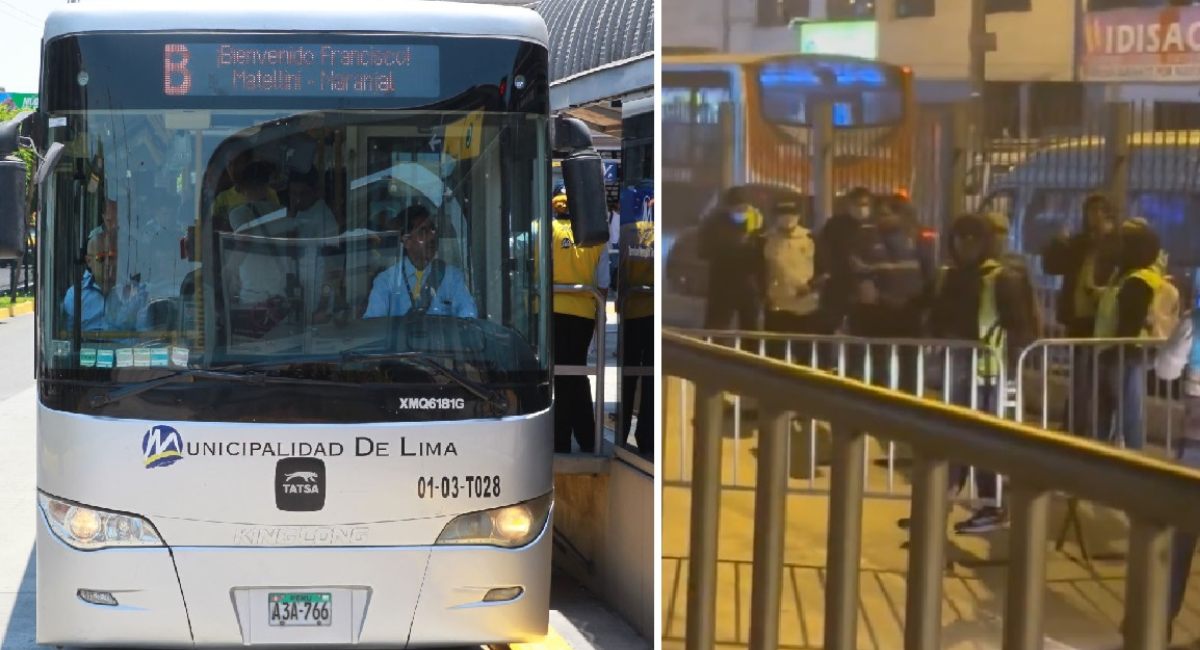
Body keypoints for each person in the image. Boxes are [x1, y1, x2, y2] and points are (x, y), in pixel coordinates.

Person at [900, 213, 1038, 534]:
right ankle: (940, 503)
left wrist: (1008, 363)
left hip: (988, 372)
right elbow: (930, 311)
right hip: (955, 368)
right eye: (960, 238)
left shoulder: (1002, 278)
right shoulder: (948, 276)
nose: (965, 245)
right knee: (948, 438)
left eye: (973, 238)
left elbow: (1021, 329)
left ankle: (991, 505)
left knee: (984, 440)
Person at [1093, 217, 1175, 450]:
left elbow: (1128, 325)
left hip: (1124, 357)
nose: (1116, 249)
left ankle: (1132, 464)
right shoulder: (1128, 277)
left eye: (1122, 244)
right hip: (1119, 355)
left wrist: (1115, 353)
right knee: (1118, 414)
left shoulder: (1137, 281)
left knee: (1128, 417)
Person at [1041, 193, 1118, 437]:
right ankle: (1073, 424)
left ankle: (1094, 427)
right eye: (1089, 212)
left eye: (1098, 212)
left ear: (1108, 216)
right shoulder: (1079, 243)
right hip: (1078, 319)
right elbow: (1052, 266)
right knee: (1079, 376)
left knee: (1098, 378)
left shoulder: (1116, 245)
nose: (1093, 217)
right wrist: (1058, 242)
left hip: (1102, 320)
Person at [1151, 307, 1200, 644]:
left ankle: (1158, 620)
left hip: (1195, 443)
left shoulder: (1194, 323)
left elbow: (1166, 371)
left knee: (1182, 535)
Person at [551, 193, 609, 453]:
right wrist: (600, 320)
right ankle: (586, 435)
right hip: (584, 312)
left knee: (563, 375)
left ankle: (562, 438)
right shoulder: (596, 237)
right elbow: (604, 282)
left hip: (552, 311)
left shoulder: (544, 230)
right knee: (575, 372)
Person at [364, 205, 477, 319]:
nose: (432, 236)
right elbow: (374, 325)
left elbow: (469, 316)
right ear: (407, 241)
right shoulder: (386, 281)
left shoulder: (452, 277)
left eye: (433, 229)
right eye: (423, 231)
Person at [699, 187, 764, 341]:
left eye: (744, 207)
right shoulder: (715, 223)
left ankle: (749, 361)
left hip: (748, 282)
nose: (741, 211)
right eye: (737, 208)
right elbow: (703, 251)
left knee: (750, 331)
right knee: (716, 328)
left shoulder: (757, 222)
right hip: (722, 283)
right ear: (728, 208)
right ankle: (708, 358)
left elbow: (763, 253)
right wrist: (733, 244)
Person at [762, 199, 819, 362]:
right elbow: (760, 271)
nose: (787, 218)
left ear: (798, 216)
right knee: (774, 357)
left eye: (791, 214)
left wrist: (811, 287)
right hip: (776, 306)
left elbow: (823, 268)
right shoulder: (765, 240)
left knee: (805, 356)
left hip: (805, 306)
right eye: (782, 214)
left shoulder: (810, 238)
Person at [619, 201, 654, 457]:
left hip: (631, 312)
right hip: (653, 315)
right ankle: (647, 435)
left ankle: (621, 434)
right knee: (651, 379)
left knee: (628, 377)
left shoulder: (628, 231)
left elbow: (620, 270)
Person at [63, 229, 147, 332]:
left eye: (111, 257)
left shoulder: (136, 292)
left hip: (125, 348)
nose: (108, 264)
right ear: (89, 261)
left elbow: (144, 336)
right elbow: (68, 339)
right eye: (101, 258)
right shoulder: (75, 296)